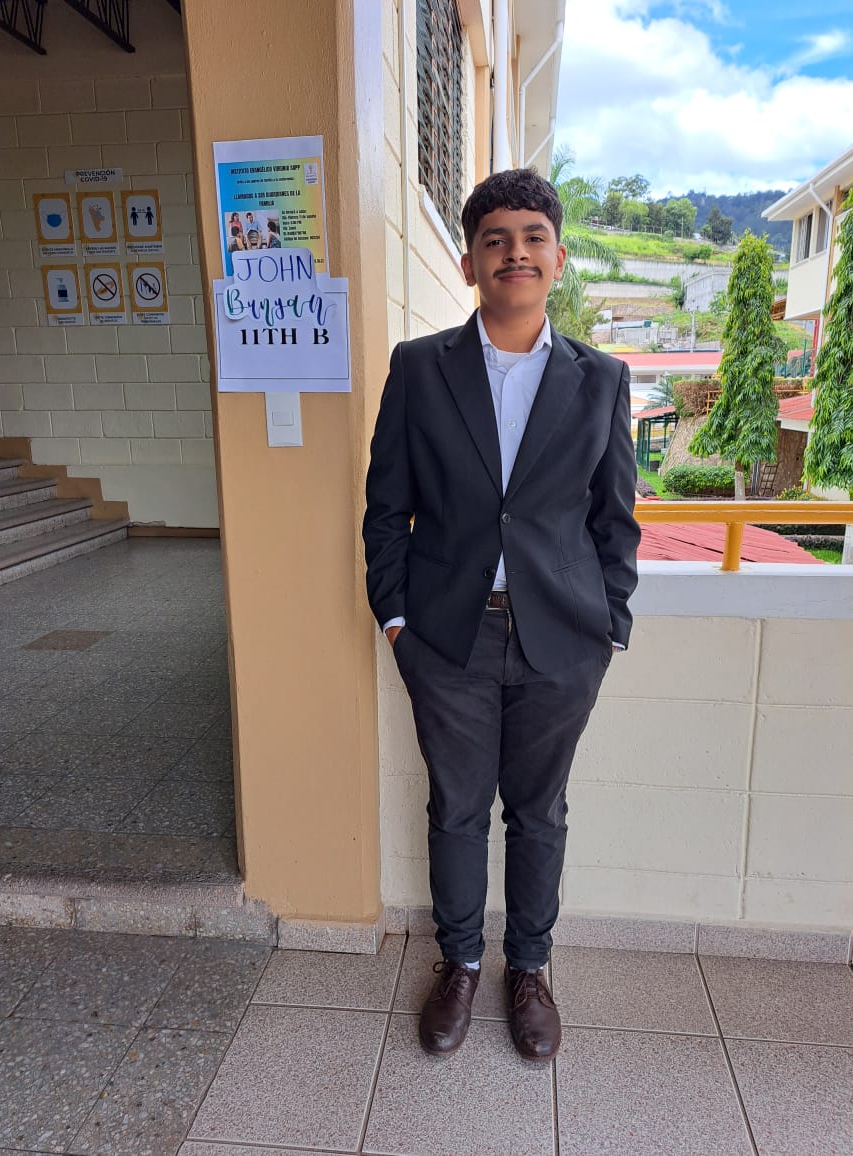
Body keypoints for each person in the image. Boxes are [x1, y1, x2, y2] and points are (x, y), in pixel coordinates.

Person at [363, 168, 639, 1062]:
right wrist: (395, 618)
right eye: (494, 240)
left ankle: (528, 967)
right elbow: (386, 506)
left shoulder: (601, 378)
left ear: (556, 258)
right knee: (455, 809)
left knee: (539, 812)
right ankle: (460, 962)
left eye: (531, 238)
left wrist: (610, 624)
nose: (513, 252)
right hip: (447, 633)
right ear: (469, 261)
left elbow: (614, 518)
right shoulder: (419, 368)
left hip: (563, 637)